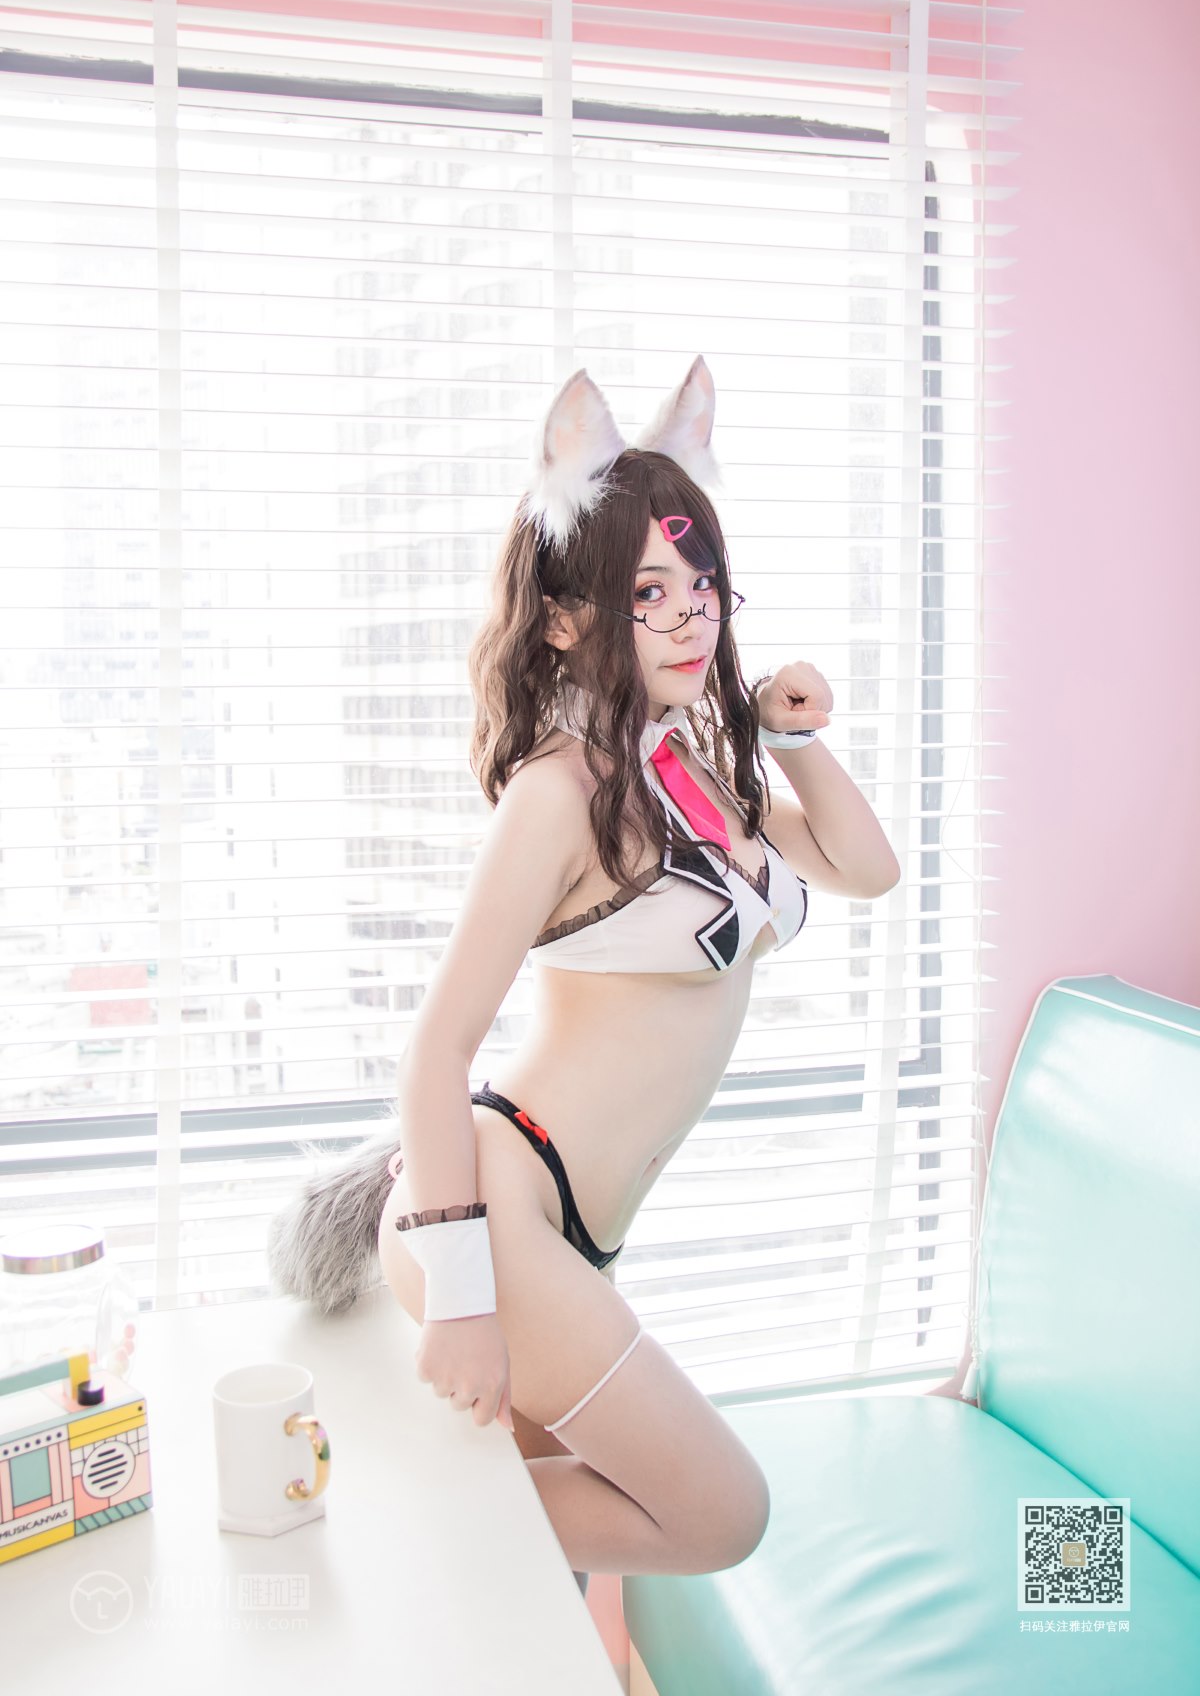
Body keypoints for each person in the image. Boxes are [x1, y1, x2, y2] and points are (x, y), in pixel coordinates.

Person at [267, 354, 902, 1593]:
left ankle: (428, 1576)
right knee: (720, 1514)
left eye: (701, 584)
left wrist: (793, 738)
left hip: (579, 1231)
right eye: (647, 591)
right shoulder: (557, 795)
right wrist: (461, 1297)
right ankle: (386, 1533)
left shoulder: (694, 773)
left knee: (552, 1579)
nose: (690, 615)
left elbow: (862, 868)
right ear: (564, 618)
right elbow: (435, 1051)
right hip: (497, 1207)